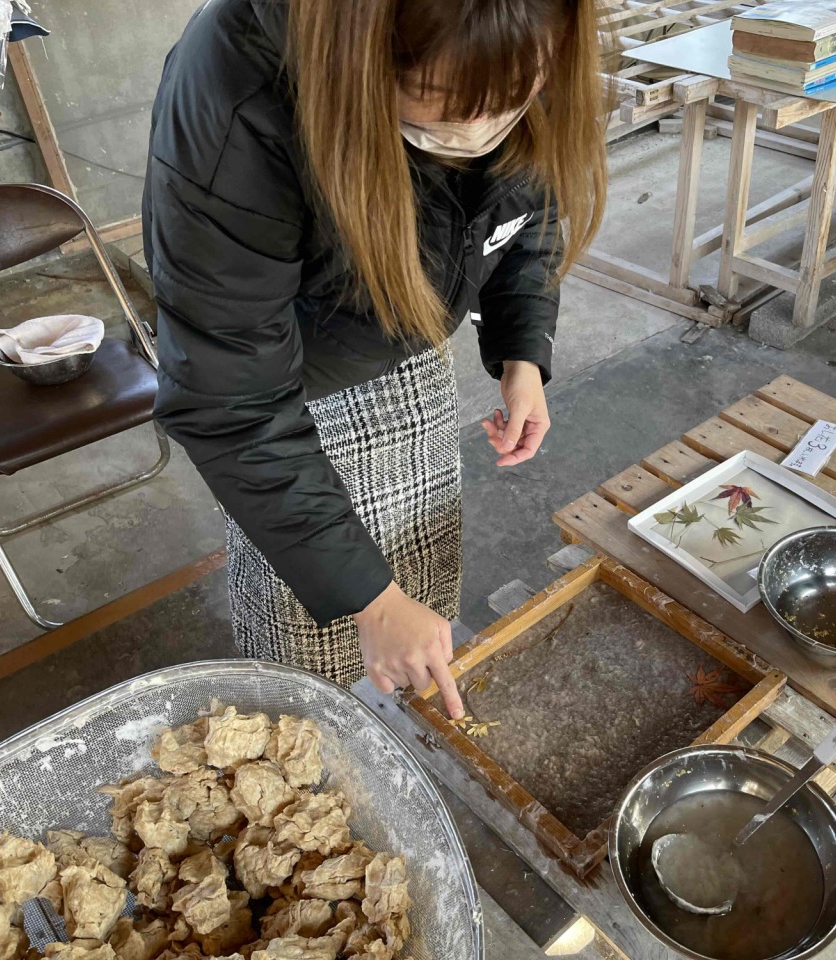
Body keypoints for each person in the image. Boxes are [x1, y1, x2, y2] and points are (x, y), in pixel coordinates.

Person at [142, 0, 607, 718]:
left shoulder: (534, 34)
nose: (480, 131)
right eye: (436, 108)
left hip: (407, 334)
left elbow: (523, 205)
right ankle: (318, 716)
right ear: (364, 55)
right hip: (286, 388)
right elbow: (233, 400)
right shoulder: (237, 99)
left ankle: (387, 702)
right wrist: (369, 599)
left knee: (421, 578)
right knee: (316, 636)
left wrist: (522, 349)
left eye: (516, 99)